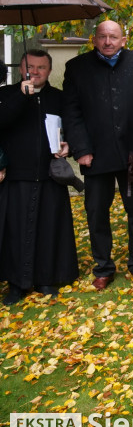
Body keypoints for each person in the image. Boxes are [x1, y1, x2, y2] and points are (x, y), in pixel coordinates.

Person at [64, 20, 133, 290]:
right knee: (97, 212)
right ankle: (103, 267)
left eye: (113, 37)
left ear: (124, 39)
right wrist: (81, 149)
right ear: (94, 39)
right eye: (102, 37)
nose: (107, 42)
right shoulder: (77, 68)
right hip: (95, 156)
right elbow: (72, 113)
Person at [0, 51, 79, 304]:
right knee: (14, 232)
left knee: (49, 230)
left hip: (49, 176)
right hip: (16, 176)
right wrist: (22, 97)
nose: (35, 72)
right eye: (30, 67)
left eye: (41, 67)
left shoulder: (58, 97)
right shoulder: (6, 95)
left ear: (49, 69)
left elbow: (73, 127)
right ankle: (16, 284)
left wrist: (70, 146)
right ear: (21, 68)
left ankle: (46, 279)